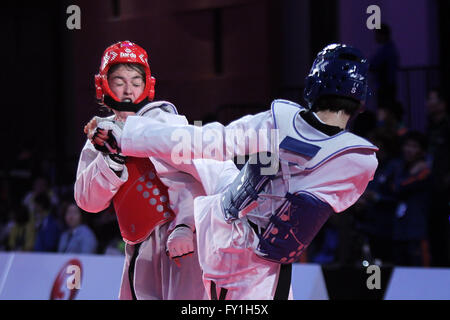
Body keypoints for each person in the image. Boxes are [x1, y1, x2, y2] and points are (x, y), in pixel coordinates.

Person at [91, 44, 379, 300]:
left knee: (205, 153)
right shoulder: (360, 162)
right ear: (361, 99)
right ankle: (125, 136)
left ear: (314, 86)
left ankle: (123, 135)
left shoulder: (277, 122)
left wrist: (130, 134)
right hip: (258, 256)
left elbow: (209, 141)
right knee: (213, 164)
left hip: (224, 238)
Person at [76, 41, 207, 300]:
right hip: (138, 245)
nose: (128, 90)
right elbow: (87, 201)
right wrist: (110, 161)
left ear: (147, 85)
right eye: (119, 81)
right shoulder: (100, 136)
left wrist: (185, 224)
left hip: (181, 241)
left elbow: (193, 177)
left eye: (136, 82)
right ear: (103, 84)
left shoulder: (165, 122)